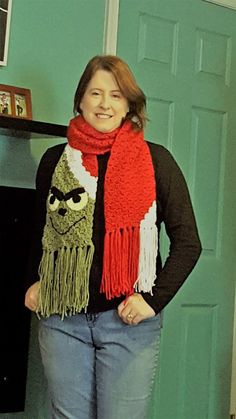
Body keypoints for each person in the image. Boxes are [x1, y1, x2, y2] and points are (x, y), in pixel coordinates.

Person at [25, 55, 201, 419]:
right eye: (95, 93)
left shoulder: (157, 162)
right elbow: (39, 231)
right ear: (81, 100)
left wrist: (152, 300)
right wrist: (36, 280)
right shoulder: (56, 161)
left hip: (128, 325)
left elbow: (188, 243)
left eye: (116, 95)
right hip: (62, 319)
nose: (104, 104)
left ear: (129, 105)